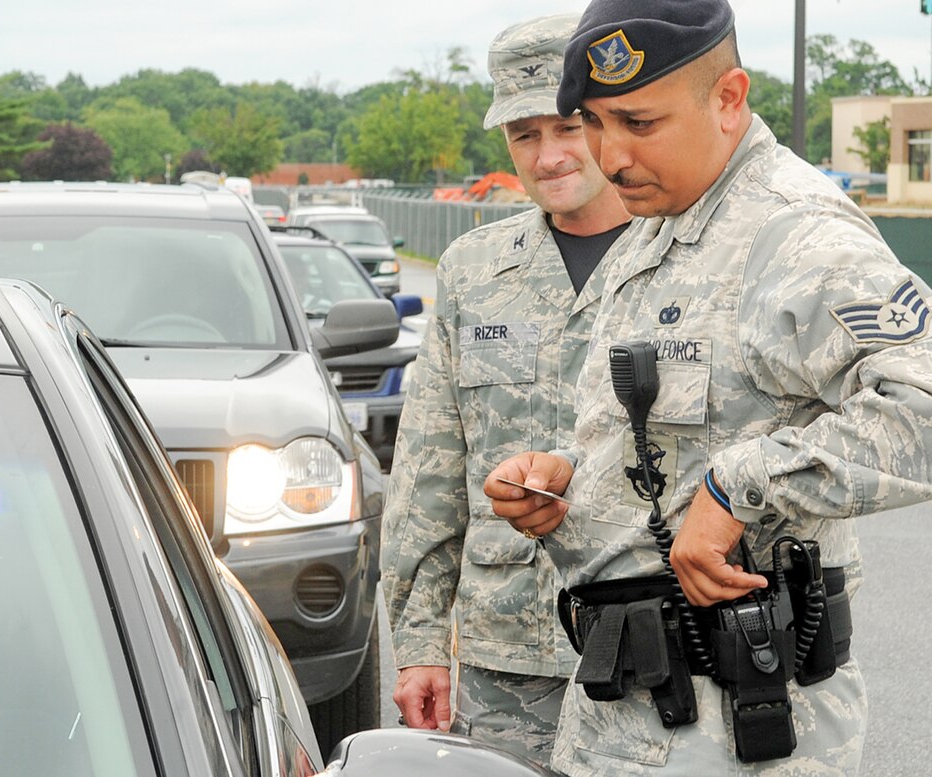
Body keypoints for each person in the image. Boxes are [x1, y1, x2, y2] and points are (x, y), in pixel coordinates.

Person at [484, 1, 932, 774]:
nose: (610, 155)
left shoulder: (793, 232)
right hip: (630, 714)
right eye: (593, 122)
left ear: (728, 98)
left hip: (739, 726)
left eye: (639, 122)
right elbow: (679, 428)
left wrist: (738, 487)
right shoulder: (661, 221)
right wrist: (568, 474)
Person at [380, 13, 631, 768]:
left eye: (567, 127)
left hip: (655, 643)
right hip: (508, 661)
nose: (548, 155)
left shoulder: (684, 256)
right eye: (525, 135)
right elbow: (429, 468)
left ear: (606, 121)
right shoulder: (473, 271)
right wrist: (421, 644)